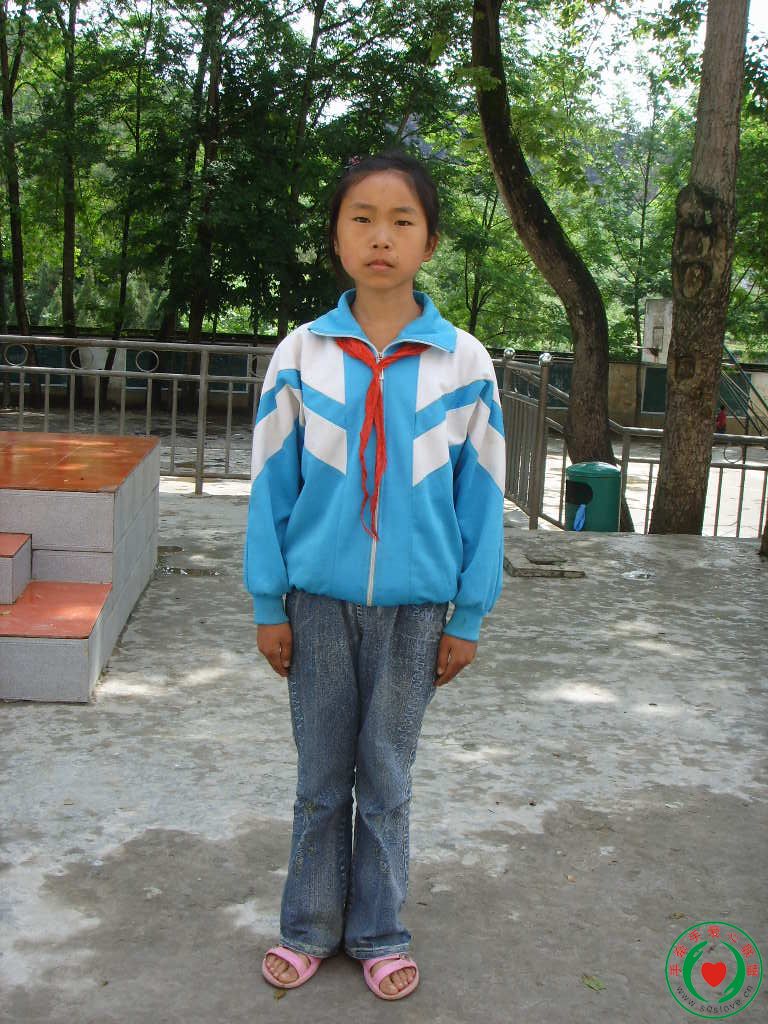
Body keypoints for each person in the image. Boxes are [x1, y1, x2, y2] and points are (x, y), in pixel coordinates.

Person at [243, 152, 505, 1001]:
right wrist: (267, 601)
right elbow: (269, 485)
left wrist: (468, 615)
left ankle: (380, 932)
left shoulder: (465, 363)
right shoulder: (301, 353)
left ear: (430, 241)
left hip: (418, 611)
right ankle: (308, 927)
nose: (380, 237)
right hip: (314, 607)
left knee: (386, 782)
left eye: (401, 221)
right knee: (320, 782)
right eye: (361, 218)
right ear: (336, 236)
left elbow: (484, 497)